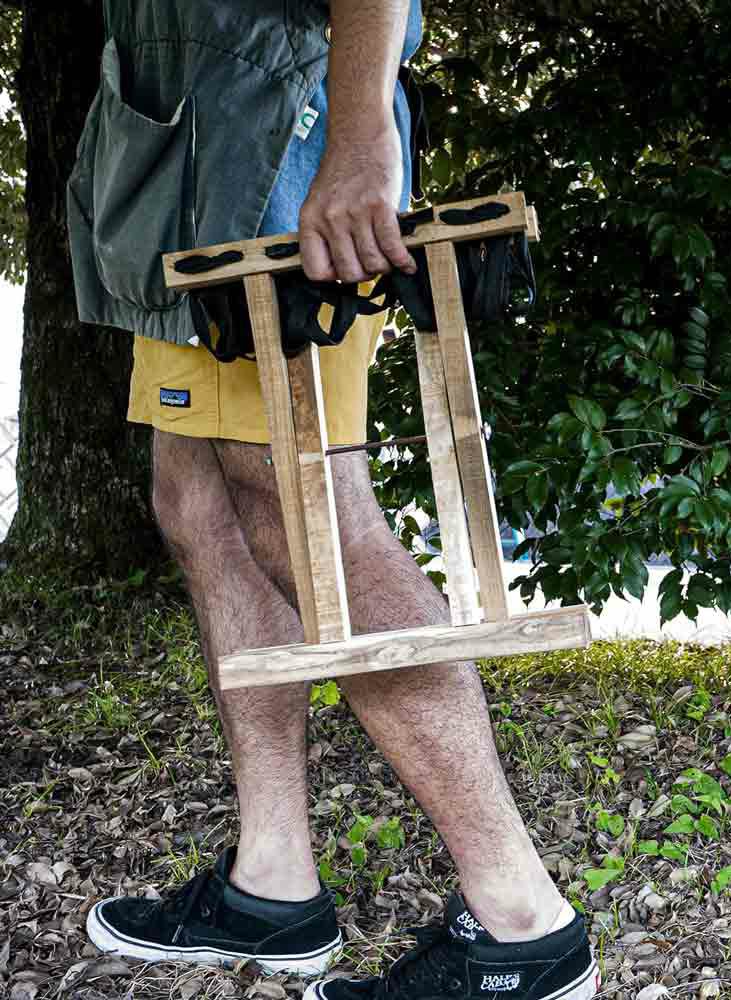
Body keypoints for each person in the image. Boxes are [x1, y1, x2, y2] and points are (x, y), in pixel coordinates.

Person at [66, 2, 600, 999]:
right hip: (184, 163)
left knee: (302, 513)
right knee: (198, 500)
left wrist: (359, 142)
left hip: (270, 161)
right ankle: (272, 883)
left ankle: (523, 921)